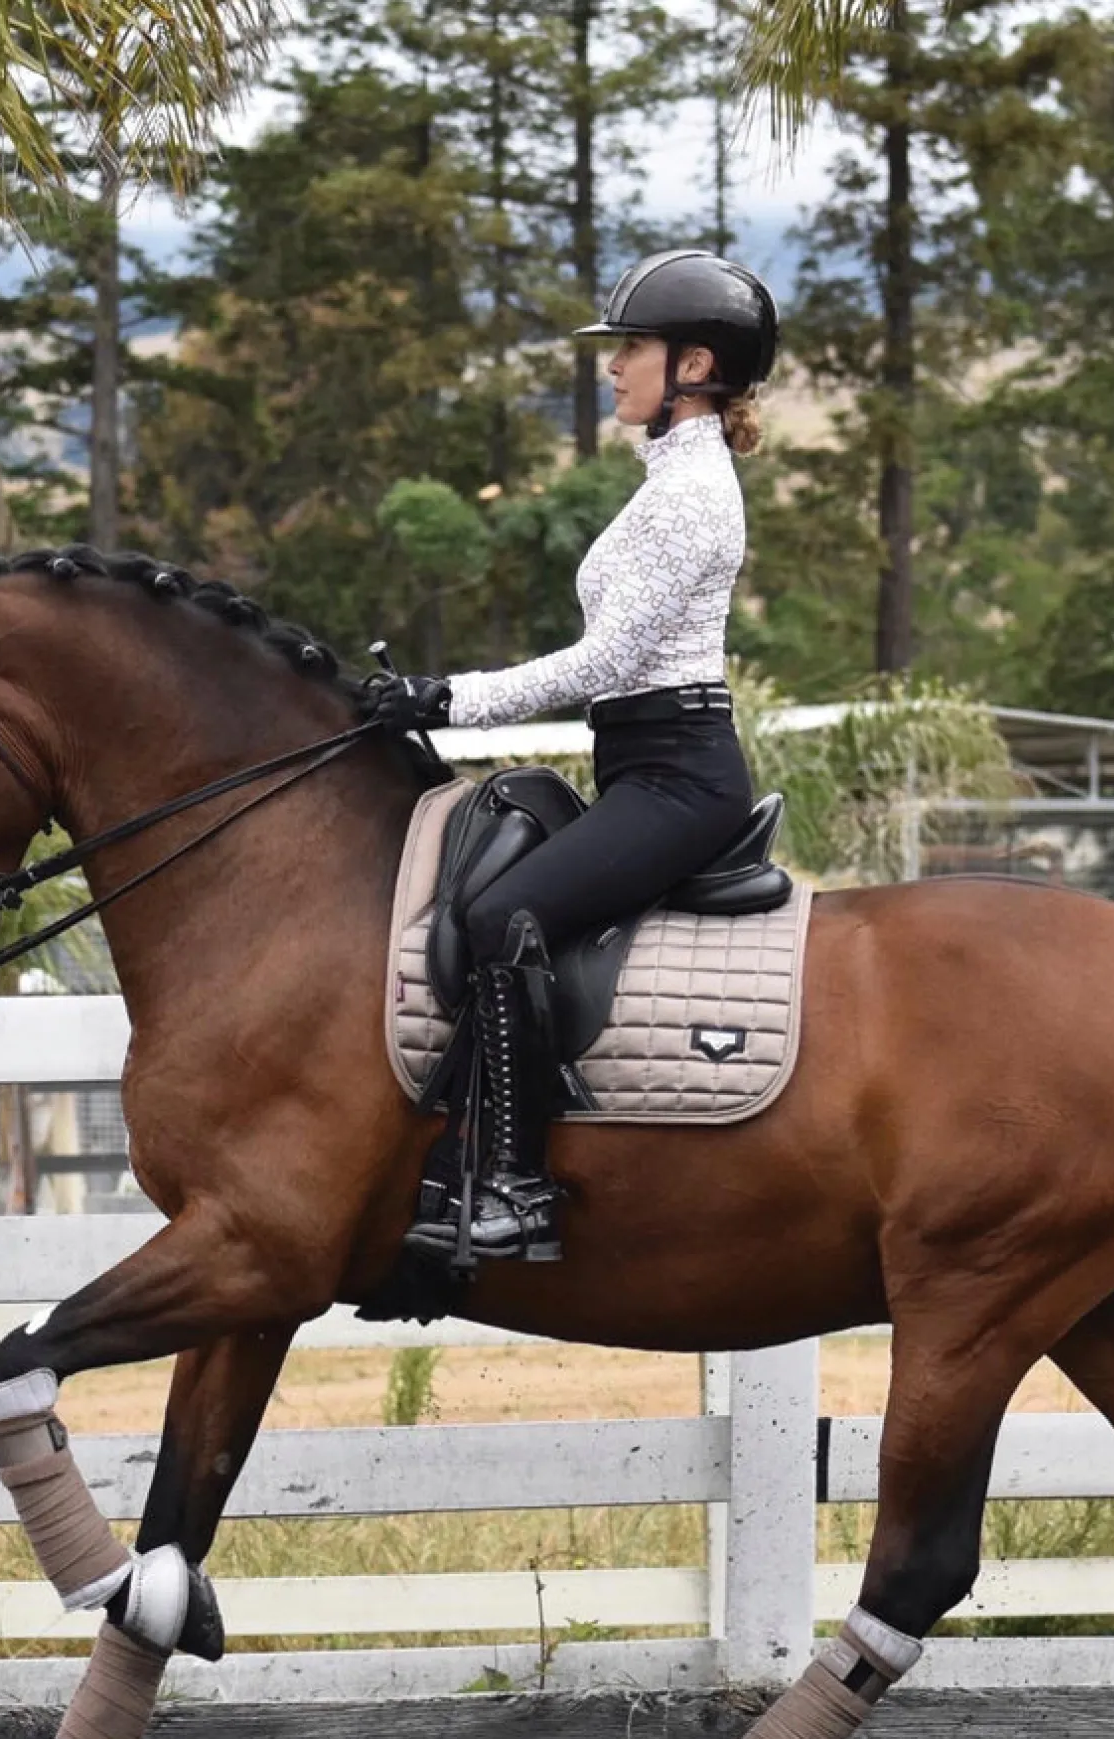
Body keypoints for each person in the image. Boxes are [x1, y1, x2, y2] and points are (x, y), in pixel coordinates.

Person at [371, 248, 779, 1266]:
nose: (612, 366)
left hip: (679, 774)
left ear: (693, 364)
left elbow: (608, 660)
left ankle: (515, 1186)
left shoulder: (690, 494)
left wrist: (448, 696)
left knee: (503, 915)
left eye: (630, 348)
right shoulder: (667, 478)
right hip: (642, 761)